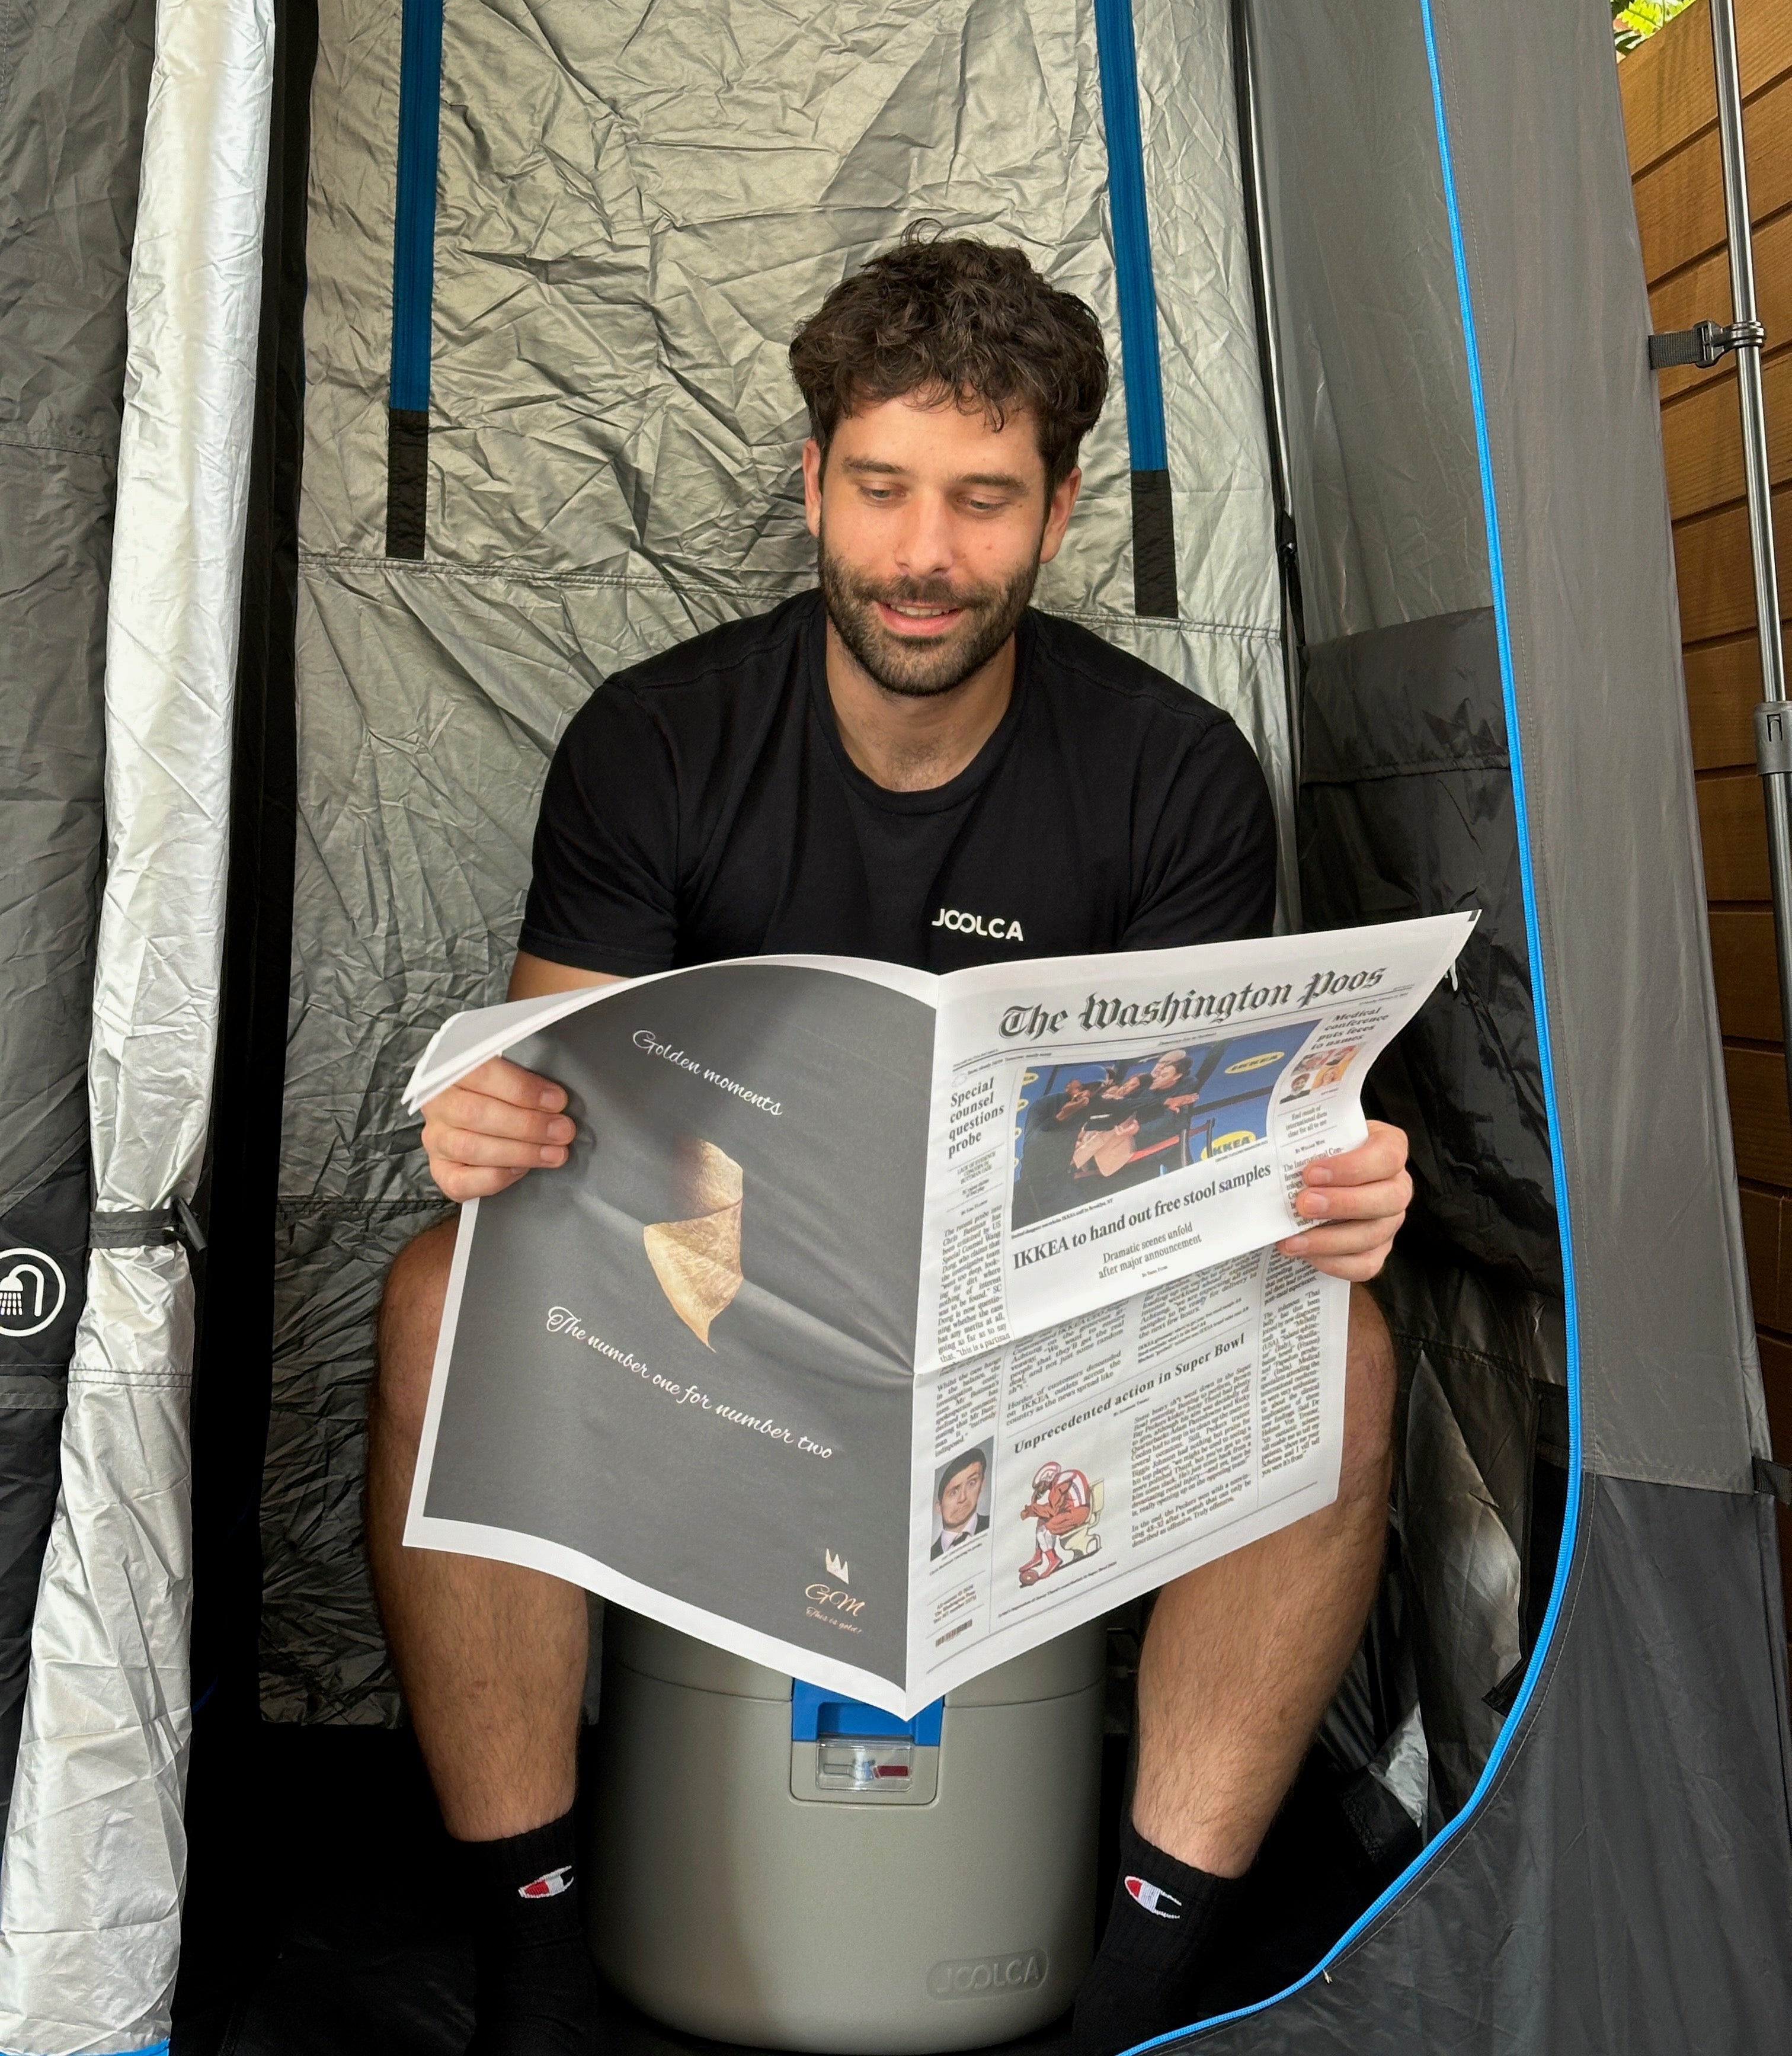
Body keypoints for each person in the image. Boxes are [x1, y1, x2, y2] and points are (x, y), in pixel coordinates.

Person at [368, 232, 1414, 2056]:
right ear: (812, 484)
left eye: (984, 502)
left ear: (1060, 511)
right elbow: (562, 1109)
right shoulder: (659, 739)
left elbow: (1208, 1163)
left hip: (1039, 1322)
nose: (926, 555)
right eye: (884, 489)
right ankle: (533, 1961)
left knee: (1349, 1352)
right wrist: (494, 1120)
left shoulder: (1169, 771)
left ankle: (1141, 1987)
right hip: (726, 1297)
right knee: (441, 1299)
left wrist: (1320, 1191)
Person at [932, 1447, 990, 1559]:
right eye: (953, 1492)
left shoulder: (997, 1521)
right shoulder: (929, 1557)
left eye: (972, 1483)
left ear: (982, 1484)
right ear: (939, 1507)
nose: (963, 1498)